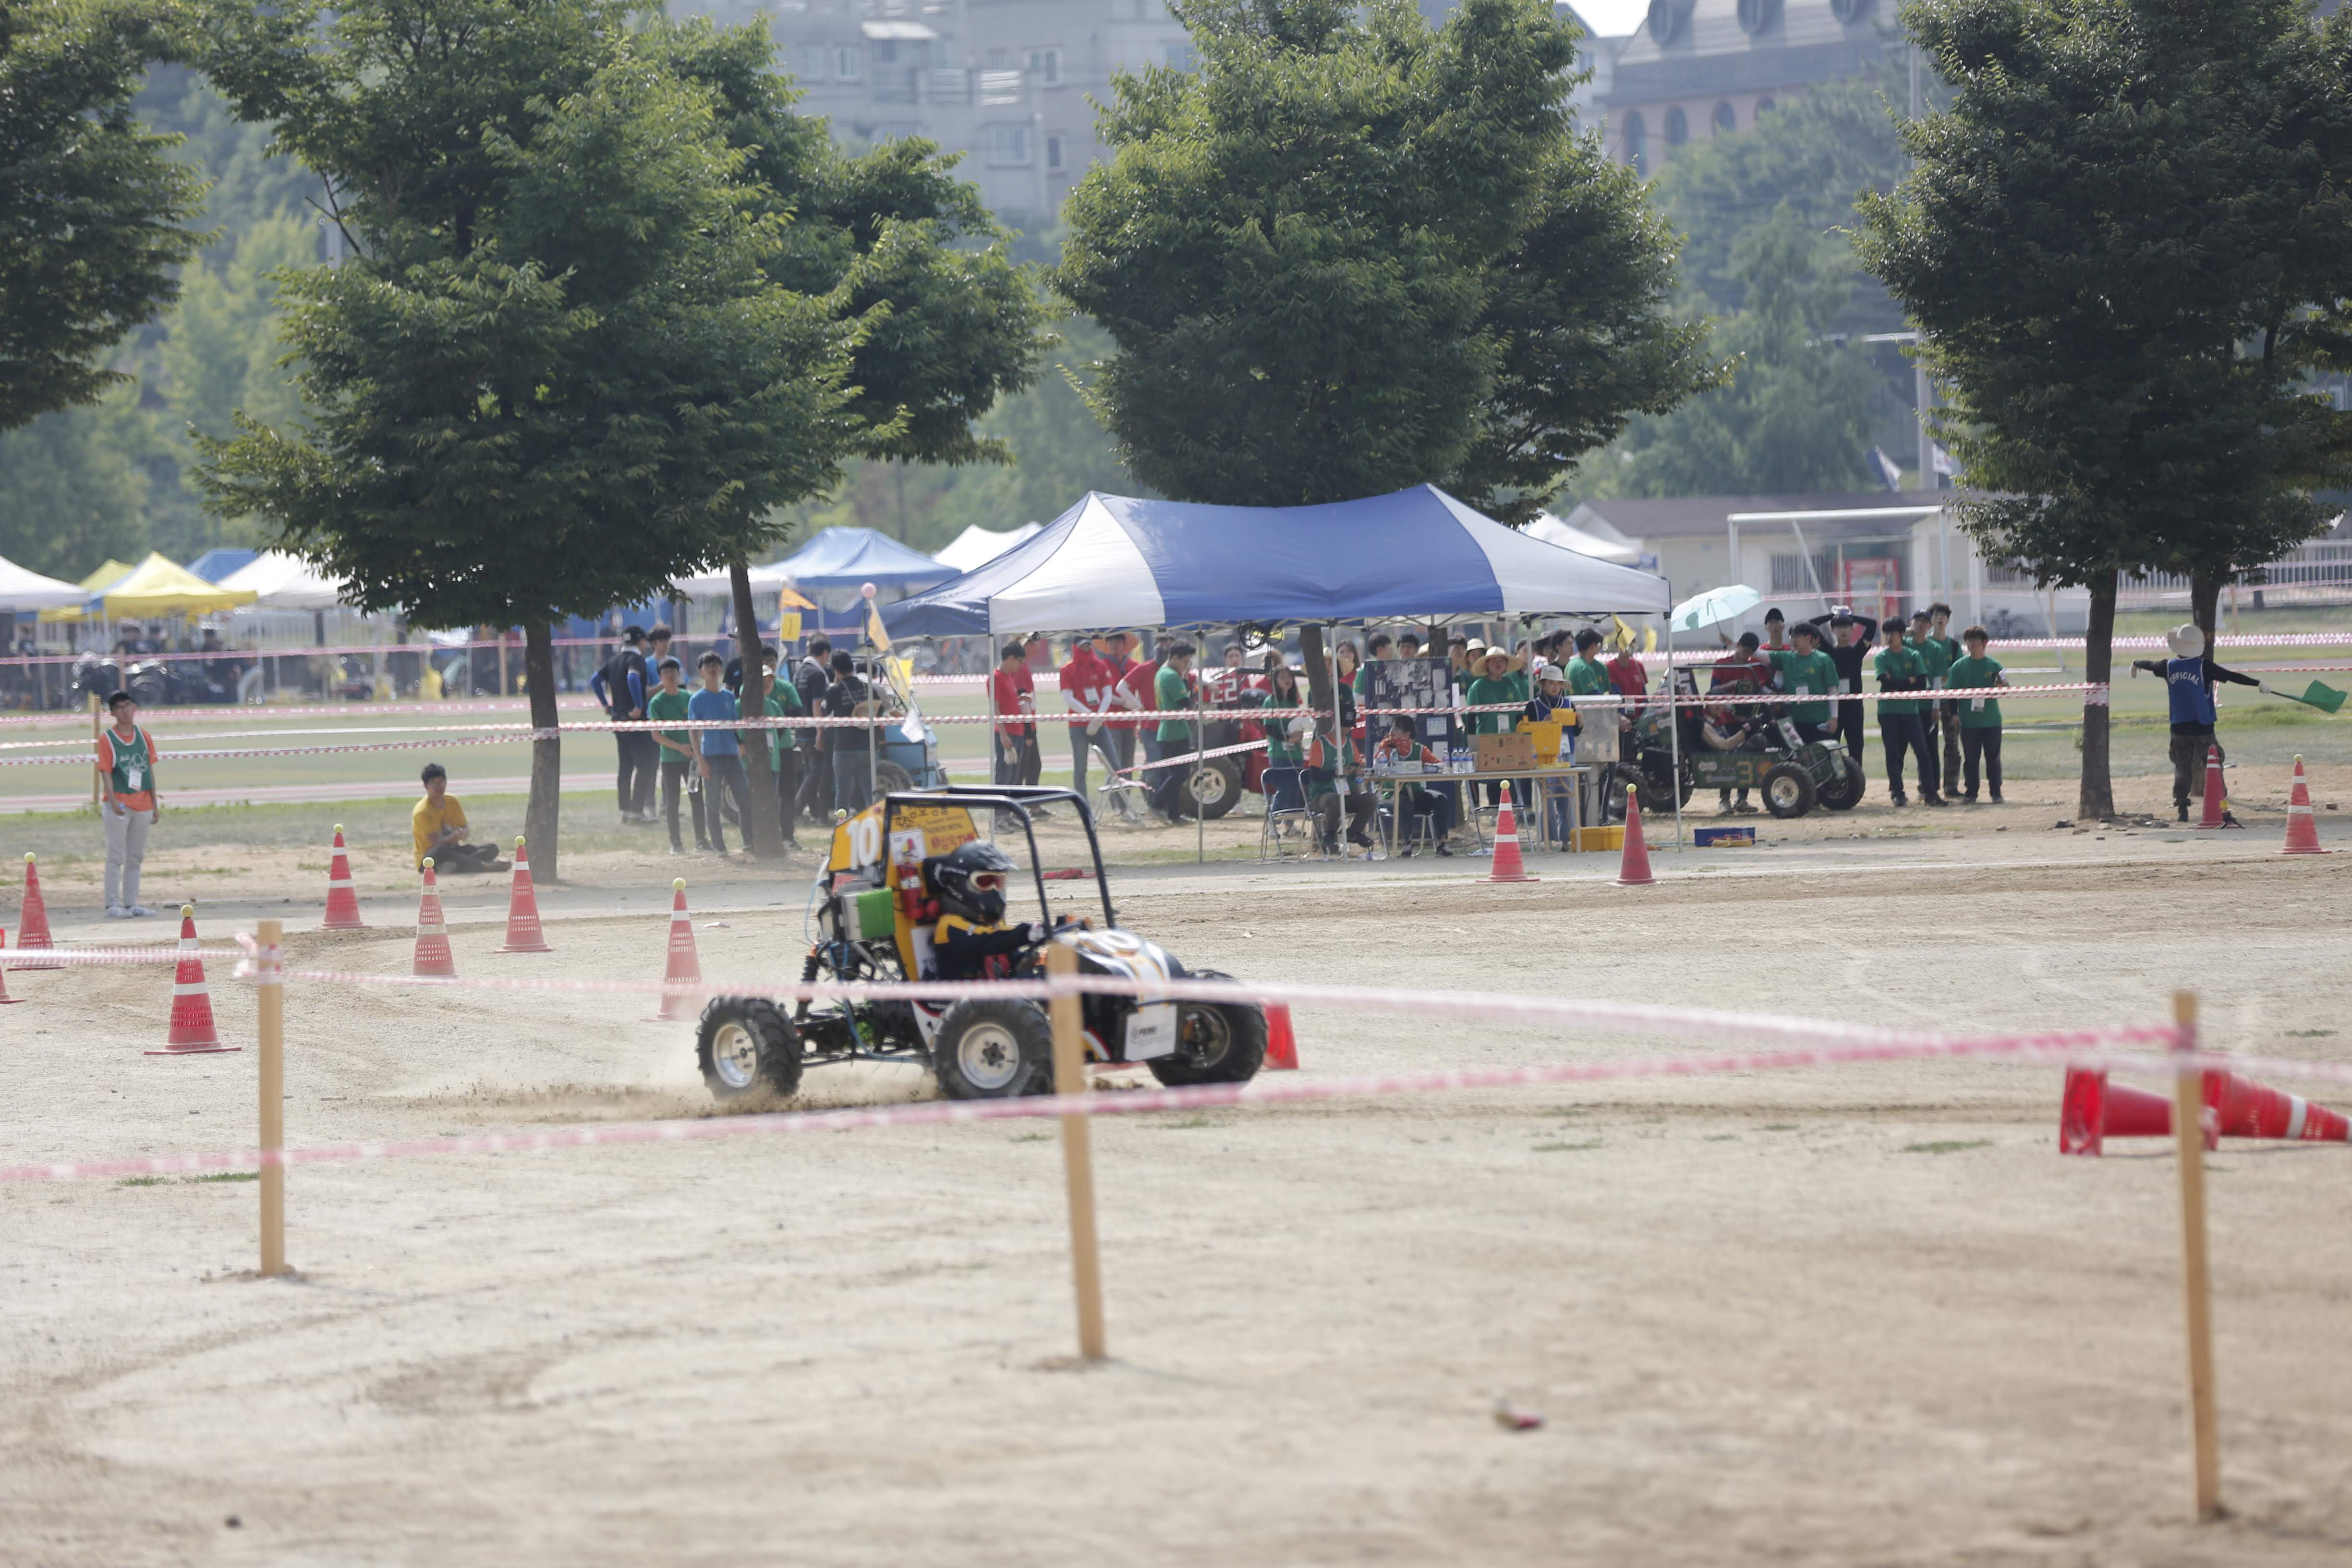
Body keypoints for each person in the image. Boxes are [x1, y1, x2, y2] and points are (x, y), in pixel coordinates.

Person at [2131, 624, 2261, 824]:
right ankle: (2223, 809)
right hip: (2203, 727)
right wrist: (2258, 684)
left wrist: (2136, 663)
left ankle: (2182, 808)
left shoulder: (2168, 666)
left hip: (2179, 727)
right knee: (2214, 767)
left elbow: (2149, 664)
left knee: (2182, 767)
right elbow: (2231, 676)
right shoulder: (2204, 667)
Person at [923, 840, 1042, 982]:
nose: (995, 890)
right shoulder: (950, 926)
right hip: (963, 1000)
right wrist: (1029, 932)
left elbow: (1010, 957)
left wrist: (1030, 959)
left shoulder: (993, 925)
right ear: (960, 885)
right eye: (986, 882)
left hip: (995, 999)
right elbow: (989, 941)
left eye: (999, 882)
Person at [97, 690, 162, 916]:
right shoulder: (107, 740)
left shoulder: (144, 737)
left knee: (136, 856)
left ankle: (131, 902)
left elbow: (148, 771)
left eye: (130, 705)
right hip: (120, 805)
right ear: (114, 713)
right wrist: (113, 801)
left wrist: (155, 804)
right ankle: (112, 904)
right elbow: (106, 771)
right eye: (121, 707)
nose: (127, 711)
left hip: (143, 804)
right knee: (116, 855)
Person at [689, 652, 754, 856]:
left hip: (731, 755)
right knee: (713, 802)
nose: (713, 669)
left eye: (716, 665)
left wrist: (741, 745)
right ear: (701, 671)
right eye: (708, 666)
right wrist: (700, 760)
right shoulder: (697, 700)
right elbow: (693, 732)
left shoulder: (728, 697)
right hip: (711, 755)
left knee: (744, 797)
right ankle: (719, 846)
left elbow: (734, 727)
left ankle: (749, 842)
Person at [589, 626, 654, 826]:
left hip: (618, 720)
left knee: (626, 766)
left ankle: (626, 810)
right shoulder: (636, 660)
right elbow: (633, 678)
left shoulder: (614, 660)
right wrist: (638, 705)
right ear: (641, 641)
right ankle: (637, 811)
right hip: (635, 721)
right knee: (646, 766)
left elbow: (595, 680)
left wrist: (605, 705)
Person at [1873, 623, 1943, 806]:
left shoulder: (1913, 655)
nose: (1889, 637)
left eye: (1893, 633)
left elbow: (1921, 684)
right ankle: (1898, 793)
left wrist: (1897, 682)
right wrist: (1908, 681)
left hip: (1911, 712)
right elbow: (1885, 683)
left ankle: (1930, 793)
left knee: (1923, 752)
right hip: (1888, 711)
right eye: (1886, 633)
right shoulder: (1882, 657)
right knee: (1894, 753)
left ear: (1902, 634)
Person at [646, 656, 709, 855]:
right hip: (670, 760)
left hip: (691, 759)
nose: (671, 677)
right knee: (672, 802)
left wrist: (695, 750)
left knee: (696, 797)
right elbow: (656, 736)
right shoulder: (657, 702)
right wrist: (679, 747)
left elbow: (698, 727)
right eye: (666, 674)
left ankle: (701, 839)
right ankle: (676, 842)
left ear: (679, 674)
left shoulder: (688, 698)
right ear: (661, 678)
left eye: (674, 673)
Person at [1803, 609, 1879, 769]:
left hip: (1854, 708)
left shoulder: (1858, 651)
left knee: (1856, 747)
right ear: (1832, 630)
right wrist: (1832, 616)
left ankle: (1856, 783)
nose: (1843, 630)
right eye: (1839, 627)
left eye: (1847, 626)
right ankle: (1832, 783)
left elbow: (1872, 625)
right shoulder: (1828, 651)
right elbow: (1810, 625)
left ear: (1852, 629)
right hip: (1833, 709)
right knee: (1831, 748)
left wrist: (1850, 616)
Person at [1465, 643, 1531, 813]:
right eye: (1493, 661)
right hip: (1487, 739)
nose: (1498, 664)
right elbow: (1471, 718)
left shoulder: (1512, 685)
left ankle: (1514, 811)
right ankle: (1495, 811)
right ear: (1487, 664)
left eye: (1501, 661)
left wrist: (1523, 740)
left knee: (1511, 776)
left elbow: (1519, 715)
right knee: (1492, 777)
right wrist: (1472, 745)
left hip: (1510, 739)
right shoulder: (1478, 687)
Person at [1303, 701, 1376, 855]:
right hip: (1322, 795)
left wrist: (1357, 771)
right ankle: (1330, 833)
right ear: (1335, 721)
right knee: (1335, 799)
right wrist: (1336, 773)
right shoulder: (1319, 744)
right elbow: (1315, 775)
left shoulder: (1350, 744)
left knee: (1371, 799)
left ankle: (1354, 832)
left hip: (1347, 794)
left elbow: (1358, 765)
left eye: (1350, 725)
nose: (1347, 729)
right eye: (1344, 725)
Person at [1709, 632, 1770, 814]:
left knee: (1750, 757)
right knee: (1729, 757)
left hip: (1749, 719)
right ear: (1739, 646)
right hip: (1726, 721)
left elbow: (1762, 690)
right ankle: (1724, 800)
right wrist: (1732, 685)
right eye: (1744, 650)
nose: (1746, 655)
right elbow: (1713, 691)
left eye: (1750, 652)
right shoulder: (1721, 664)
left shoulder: (1755, 667)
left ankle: (1742, 799)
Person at [1946, 625, 2008, 803]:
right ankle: (1971, 793)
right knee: (1971, 759)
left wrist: (2001, 685)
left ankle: (1996, 792)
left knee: (1993, 759)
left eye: (1975, 640)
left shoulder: (1994, 665)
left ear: (1984, 643)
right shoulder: (1959, 667)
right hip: (1969, 721)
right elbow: (1951, 693)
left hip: (1992, 721)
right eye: (1969, 640)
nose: (1971, 644)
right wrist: (1954, 714)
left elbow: (2004, 689)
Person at [1375, 715, 1454, 854]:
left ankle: (1442, 843)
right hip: (1393, 794)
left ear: (1407, 734)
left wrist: (1426, 767)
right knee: (1404, 803)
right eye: (1392, 727)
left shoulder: (1419, 749)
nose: (1392, 731)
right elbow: (1378, 769)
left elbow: (1440, 766)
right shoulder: (1386, 746)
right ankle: (1408, 843)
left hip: (1417, 793)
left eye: (1397, 729)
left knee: (1441, 799)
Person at [412, 762, 505, 874]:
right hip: (429, 858)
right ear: (426, 786)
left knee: (491, 848)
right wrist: (453, 837)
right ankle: (483, 867)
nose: (439, 786)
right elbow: (436, 842)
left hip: (453, 850)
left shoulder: (452, 801)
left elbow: (464, 827)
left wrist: (463, 833)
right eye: (434, 783)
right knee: (442, 850)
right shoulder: (423, 811)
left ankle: (458, 867)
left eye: (441, 782)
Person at [1059, 634, 1120, 803]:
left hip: (1100, 724)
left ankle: (1118, 805)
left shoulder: (1100, 667)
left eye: (1088, 645)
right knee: (1080, 769)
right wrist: (1090, 716)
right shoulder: (1067, 670)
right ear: (1075, 647)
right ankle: (1082, 805)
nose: (1086, 649)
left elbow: (1108, 694)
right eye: (1082, 646)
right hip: (1078, 725)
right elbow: (1068, 698)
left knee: (1114, 765)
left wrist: (1098, 717)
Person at [1767, 621, 1841, 744]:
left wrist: (1834, 718)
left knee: (1820, 756)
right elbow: (1758, 654)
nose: (1793, 640)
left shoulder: (1823, 660)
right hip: (1796, 721)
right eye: (1792, 637)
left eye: (1797, 636)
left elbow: (1832, 690)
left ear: (1808, 638)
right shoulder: (1787, 658)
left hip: (1820, 721)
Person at [824, 650, 878, 815]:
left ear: (836, 670)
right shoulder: (869, 688)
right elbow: (879, 712)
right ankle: (875, 823)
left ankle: (843, 825)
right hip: (868, 747)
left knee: (843, 793)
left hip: (844, 748)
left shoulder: (835, 691)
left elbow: (824, 711)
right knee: (870, 792)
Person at [1151, 640, 1200, 822]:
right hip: (1175, 732)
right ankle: (1156, 804)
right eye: (1186, 662)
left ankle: (1174, 813)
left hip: (1168, 731)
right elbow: (1186, 703)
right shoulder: (1171, 676)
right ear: (1176, 658)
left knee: (1174, 776)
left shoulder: (1161, 673)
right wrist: (1187, 680)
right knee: (1181, 775)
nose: (1187, 666)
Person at [1907, 610, 1953, 790]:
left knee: (1930, 747)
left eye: (1924, 622)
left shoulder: (1935, 649)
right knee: (1910, 747)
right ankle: (1914, 786)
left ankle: (1932, 785)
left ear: (1929, 626)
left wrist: (1936, 707)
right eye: (1916, 621)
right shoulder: (1904, 644)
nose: (1920, 624)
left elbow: (1937, 680)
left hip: (1927, 706)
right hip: (1908, 706)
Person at [760, 663, 803, 849]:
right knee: (765, 794)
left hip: (784, 748)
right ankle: (765, 837)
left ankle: (788, 835)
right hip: (760, 751)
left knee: (787, 792)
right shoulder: (749, 688)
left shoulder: (786, 687)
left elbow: (797, 711)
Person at [793, 636, 835, 827]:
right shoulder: (817, 675)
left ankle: (815, 813)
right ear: (825, 653)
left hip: (801, 729)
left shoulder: (799, 672)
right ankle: (796, 808)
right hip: (813, 730)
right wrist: (820, 733)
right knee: (817, 772)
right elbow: (817, 705)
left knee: (809, 771)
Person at [989, 639, 1041, 793]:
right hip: (1008, 734)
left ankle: (1009, 814)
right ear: (1011, 659)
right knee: (1004, 777)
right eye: (1020, 662)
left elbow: (1008, 702)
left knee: (1014, 777)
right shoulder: (996, 678)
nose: (1021, 666)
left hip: (1018, 732)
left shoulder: (1009, 677)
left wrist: (1020, 699)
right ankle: (1000, 815)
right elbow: (996, 708)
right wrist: (1004, 736)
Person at [1926, 603, 1964, 785]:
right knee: (1927, 744)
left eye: (1943, 616)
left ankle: (1951, 785)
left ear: (1948, 620)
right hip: (1928, 698)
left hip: (1949, 699)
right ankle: (1928, 785)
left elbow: (1957, 672)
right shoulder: (1924, 644)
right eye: (1936, 616)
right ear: (1930, 621)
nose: (1940, 619)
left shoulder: (1953, 645)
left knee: (1952, 743)